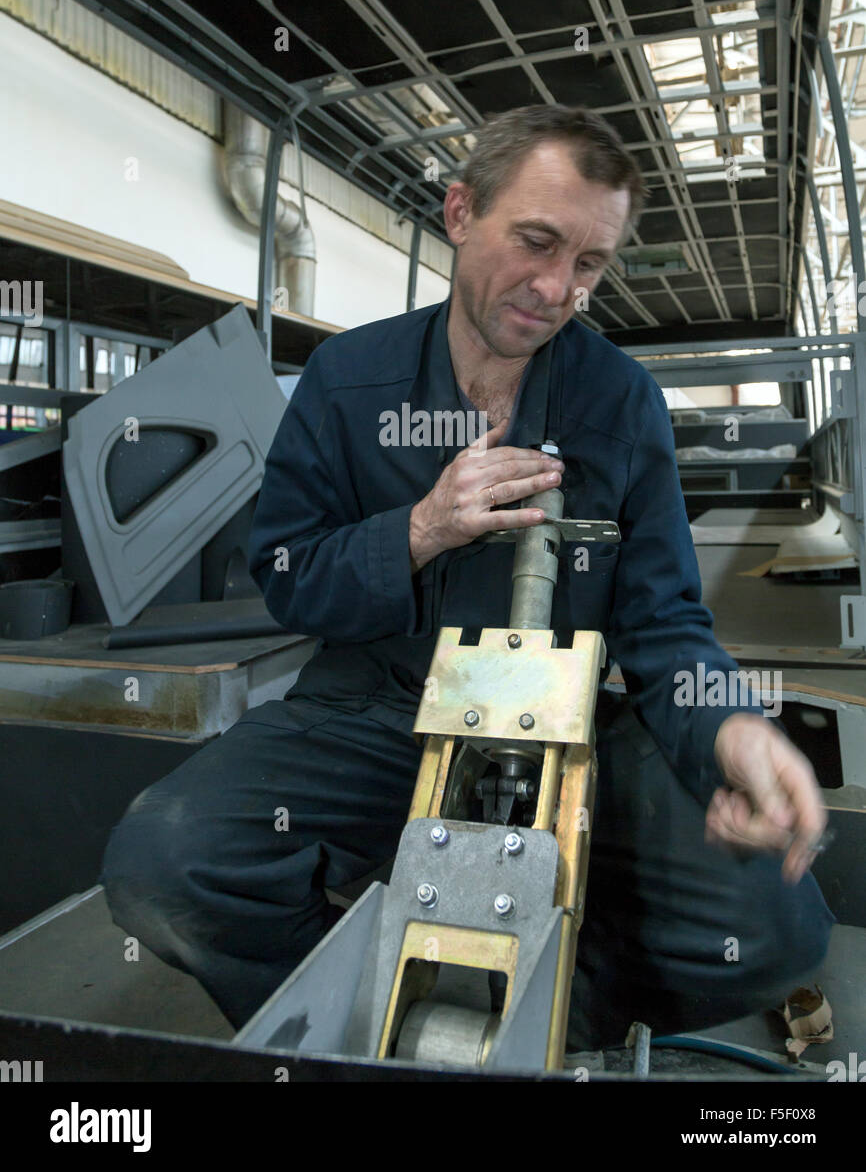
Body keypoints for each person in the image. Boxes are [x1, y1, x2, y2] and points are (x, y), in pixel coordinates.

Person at [101, 105, 833, 1051]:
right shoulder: (346, 379)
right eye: (536, 241)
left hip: (565, 718)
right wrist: (417, 530)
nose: (557, 287)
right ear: (458, 212)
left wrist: (729, 728)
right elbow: (287, 573)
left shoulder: (622, 401)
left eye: (589, 263)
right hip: (377, 710)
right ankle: (365, 1024)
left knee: (775, 932)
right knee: (166, 867)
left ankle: (524, 1019)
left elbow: (662, 624)